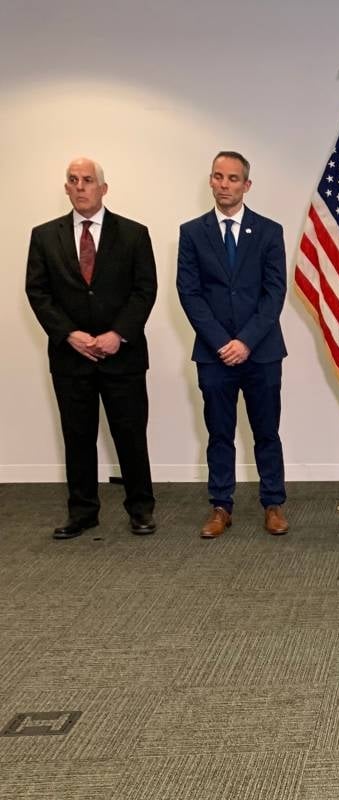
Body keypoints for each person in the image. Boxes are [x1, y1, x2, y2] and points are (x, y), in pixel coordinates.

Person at [25, 158, 158, 539]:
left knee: (130, 435)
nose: (80, 186)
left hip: (123, 356)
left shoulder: (133, 234)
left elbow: (144, 290)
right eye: (73, 180)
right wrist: (69, 334)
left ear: (103, 188)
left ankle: (140, 508)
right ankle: (82, 512)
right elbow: (38, 292)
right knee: (77, 436)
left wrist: (118, 334)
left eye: (88, 180)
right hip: (71, 357)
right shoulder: (44, 236)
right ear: (66, 188)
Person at [177, 151, 289, 538]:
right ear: (211, 180)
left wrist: (246, 342)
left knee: (267, 432)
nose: (224, 185)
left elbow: (274, 293)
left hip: (262, 352)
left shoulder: (269, 231)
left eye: (233, 178)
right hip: (214, 354)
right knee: (219, 433)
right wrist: (223, 343)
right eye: (218, 177)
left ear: (247, 185)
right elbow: (189, 293)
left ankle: (273, 504)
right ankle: (220, 506)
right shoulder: (192, 232)